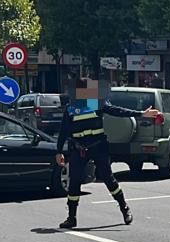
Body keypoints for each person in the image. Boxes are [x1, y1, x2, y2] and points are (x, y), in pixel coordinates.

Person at [54, 93, 160, 230]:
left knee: (108, 178)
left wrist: (140, 114)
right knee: (74, 181)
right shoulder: (70, 109)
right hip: (79, 148)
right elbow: (63, 131)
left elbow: (117, 111)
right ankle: (71, 218)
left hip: (98, 146)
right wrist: (59, 151)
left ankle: (124, 207)